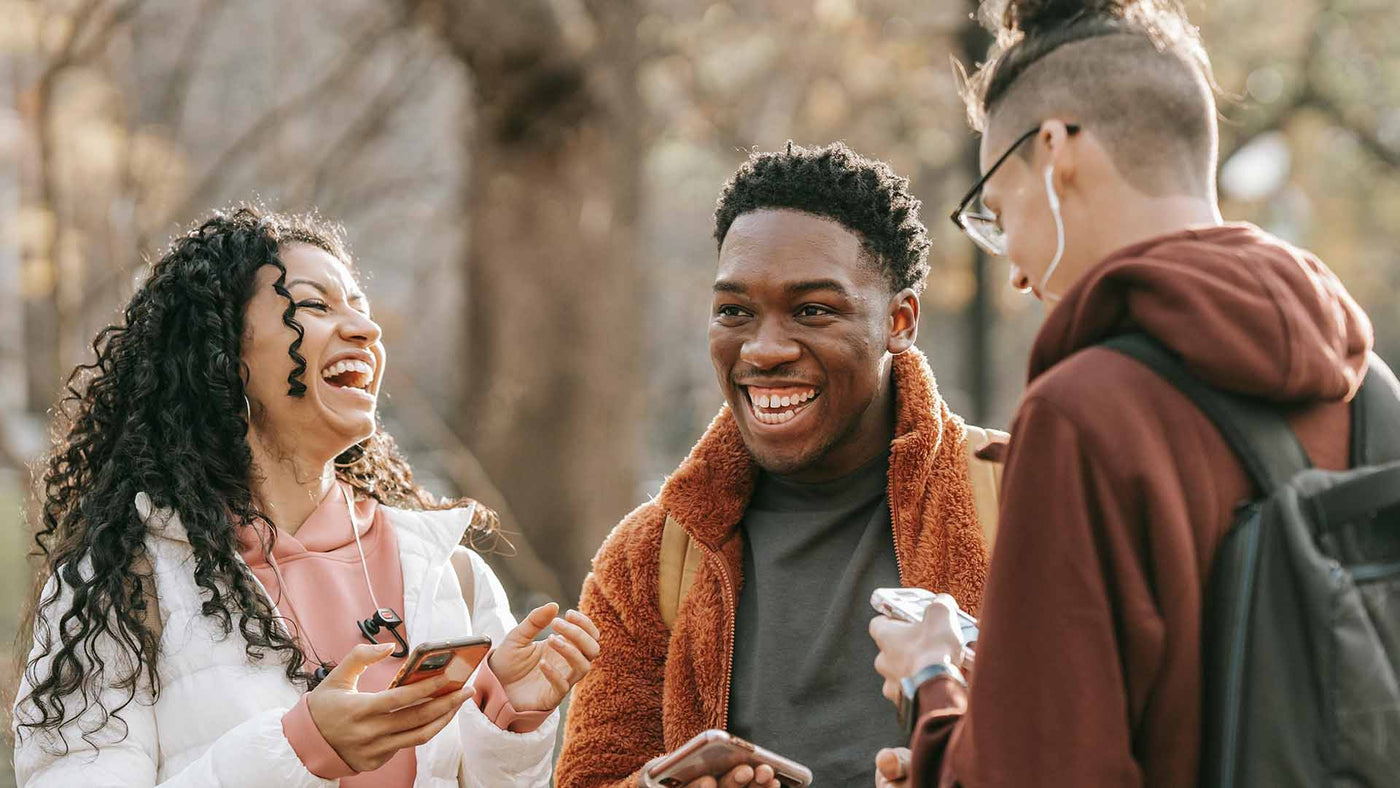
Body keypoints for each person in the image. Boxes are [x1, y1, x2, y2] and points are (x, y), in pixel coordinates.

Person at [868, 0, 1380, 785]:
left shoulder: (1084, 416)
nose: (1013, 268)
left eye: (999, 215)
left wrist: (932, 683)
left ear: (1054, 149)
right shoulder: (1369, 388)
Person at [11, 206, 600, 787]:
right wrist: (301, 750)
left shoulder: (451, 573)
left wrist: (509, 719)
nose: (366, 331)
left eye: (361, 310)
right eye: (315, 306)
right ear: (222, 358)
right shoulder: (123, 583)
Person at [556, 142, 1004, 788]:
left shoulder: (1019, 500)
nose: (763, 350)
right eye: (735, 311)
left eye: (813, 310)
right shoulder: (648, 561)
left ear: (899, 321)